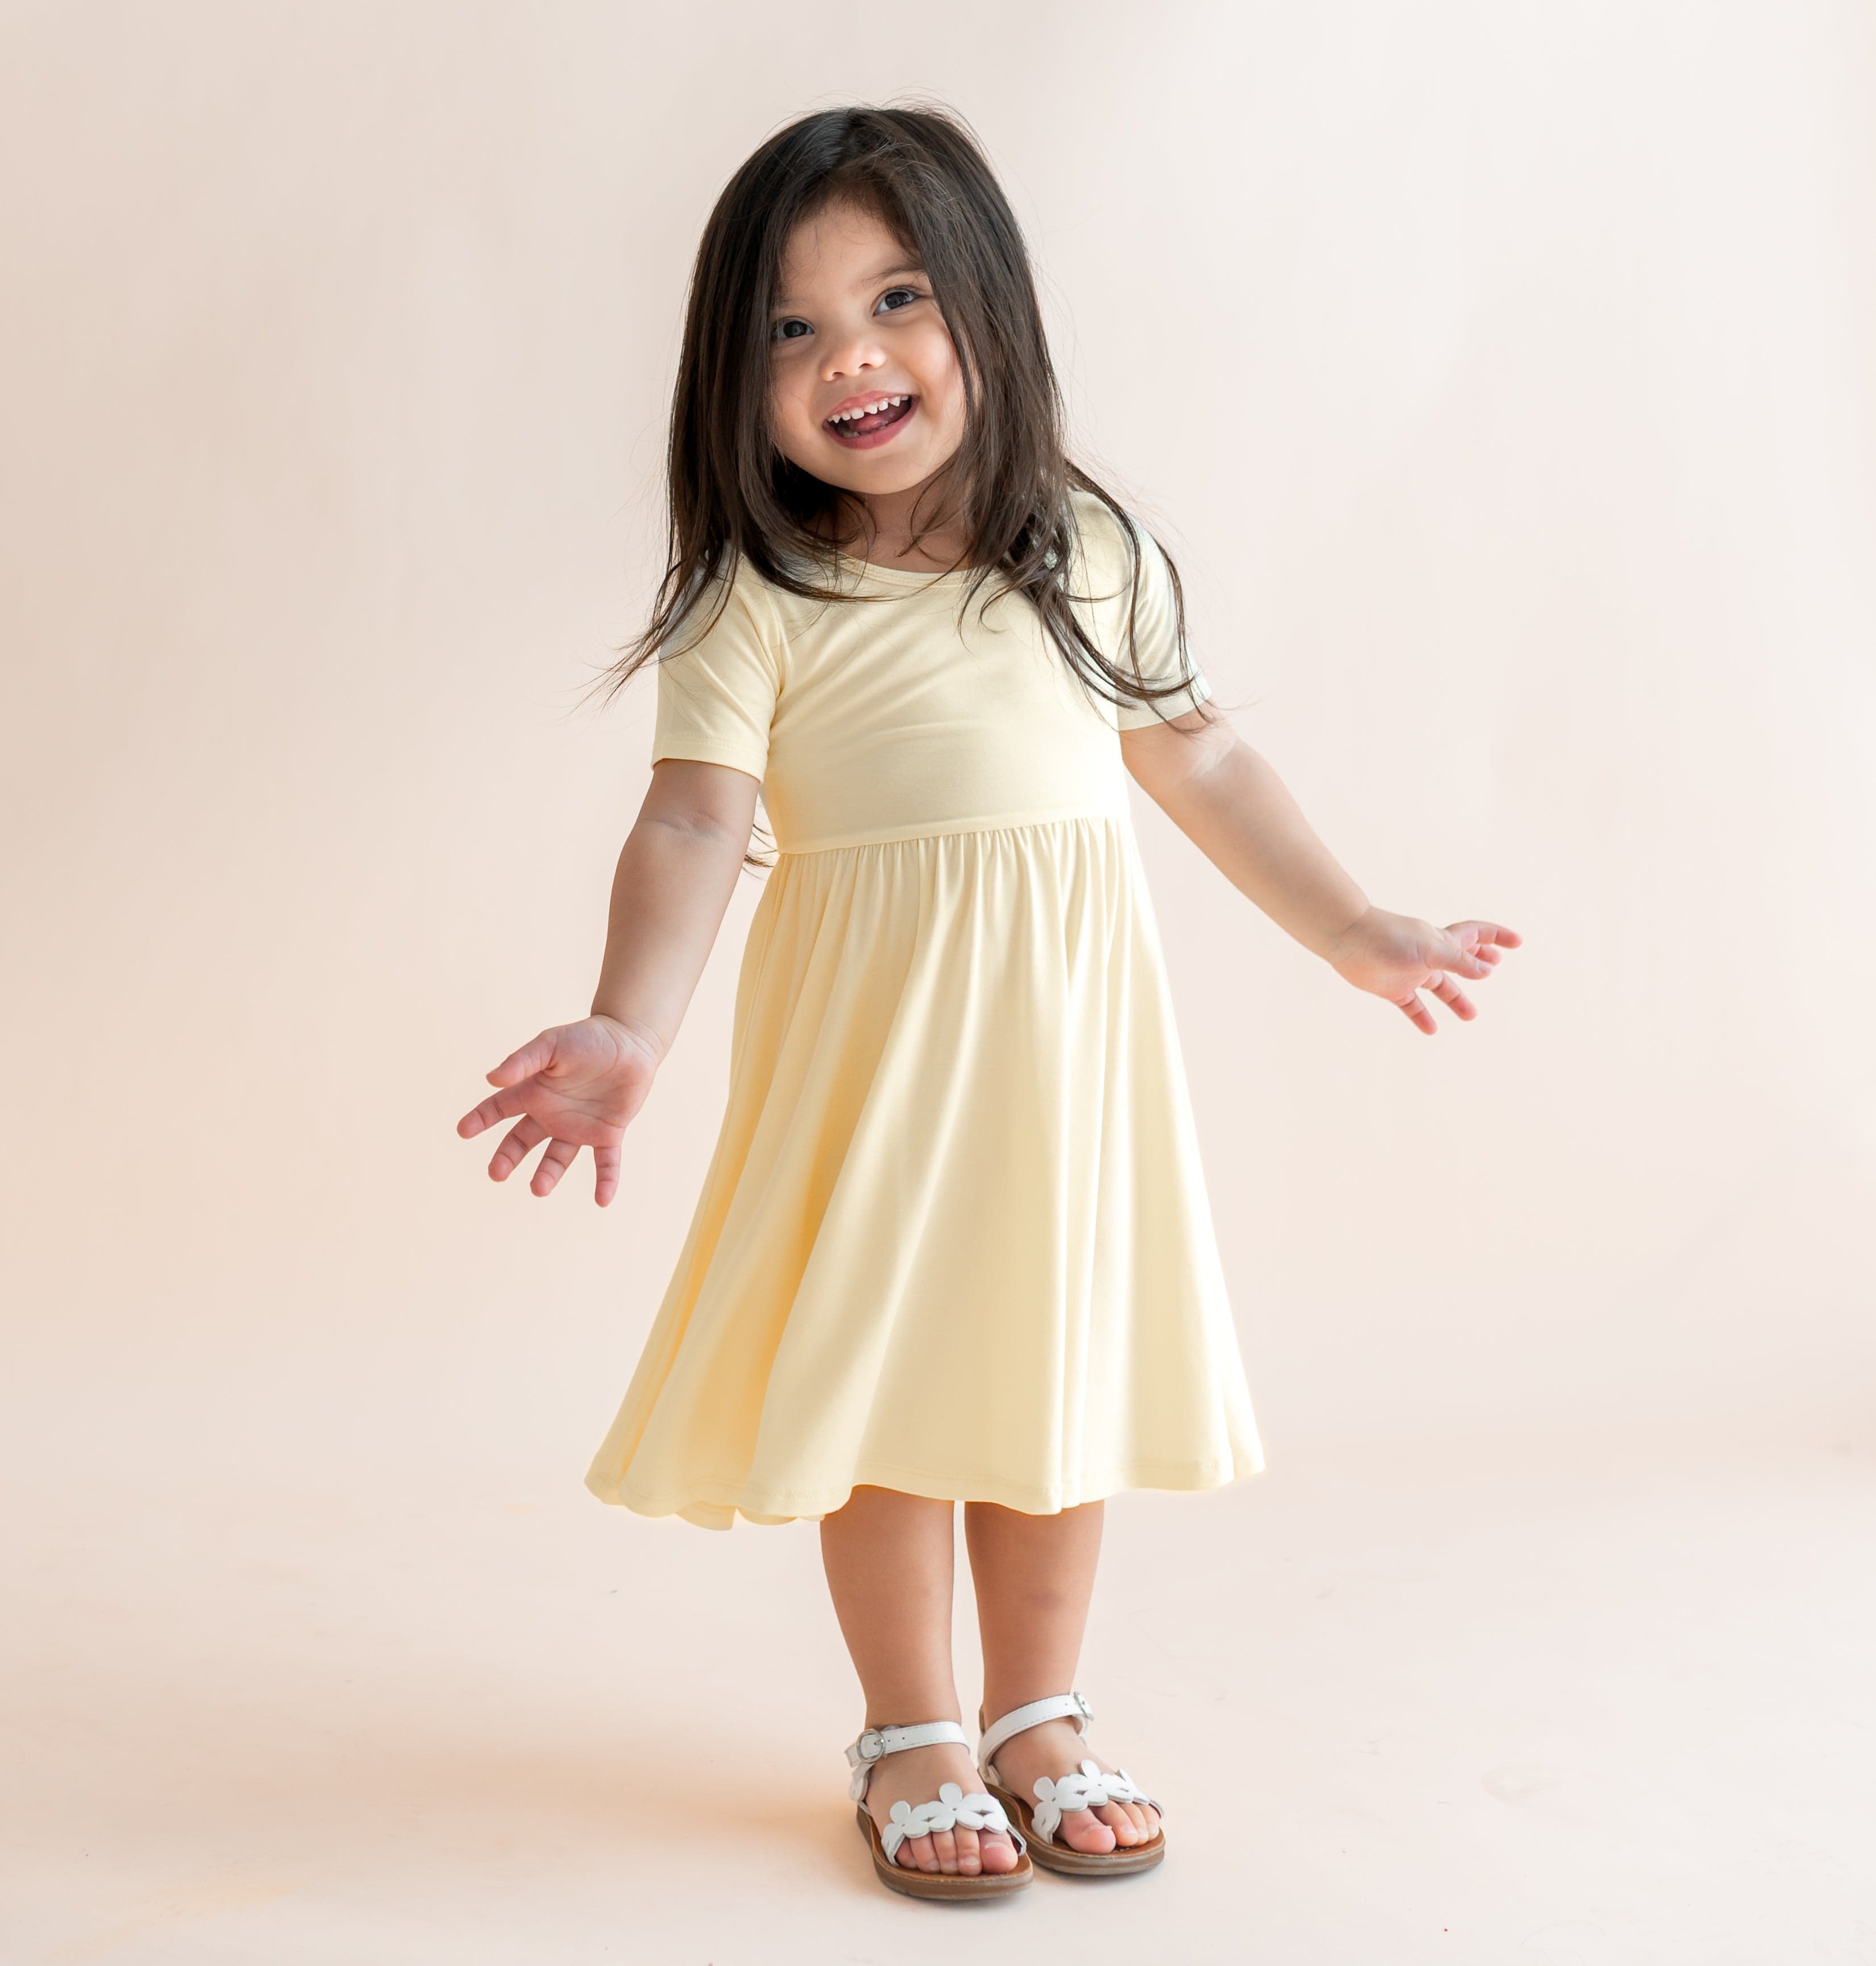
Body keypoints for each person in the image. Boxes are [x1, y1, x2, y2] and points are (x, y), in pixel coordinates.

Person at [457, 104, 1519, 1901]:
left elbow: (1201, 756)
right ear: (736, 376)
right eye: (791, 330)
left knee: (1048, 1371)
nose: (850, 356)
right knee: (884, 1380)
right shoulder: (758, 593)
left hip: (1057, 1066)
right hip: (877, 1070)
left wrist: (1350, 925)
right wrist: (629, 1020)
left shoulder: (1085, 550)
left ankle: (1041, 1709)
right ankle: (913, 1727)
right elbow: (694, 816)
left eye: (894, 300)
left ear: (990, 321)